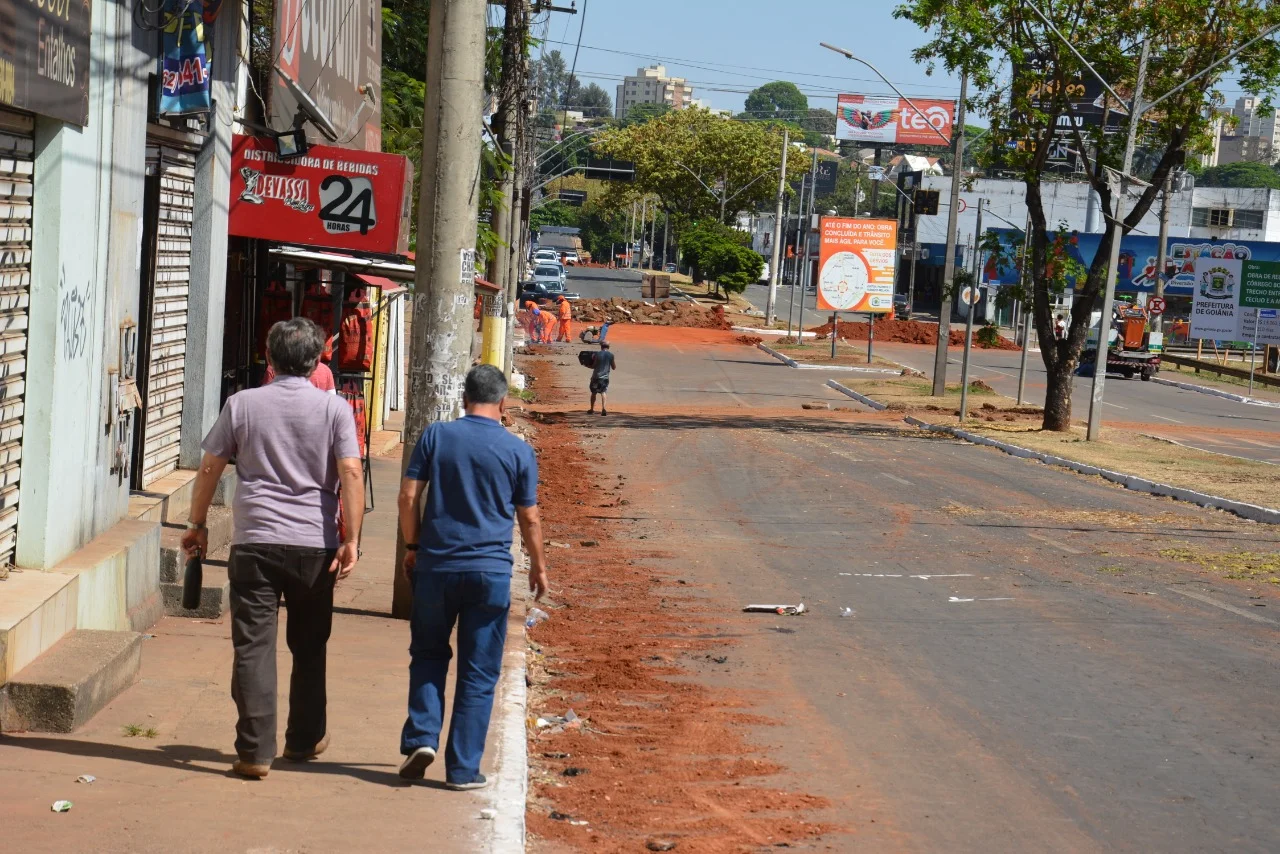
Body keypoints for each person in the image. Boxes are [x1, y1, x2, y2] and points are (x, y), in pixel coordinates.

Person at [182, 317, 364, 780]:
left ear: (269, 358)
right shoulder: (335, 409)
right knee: (309, 644)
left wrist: (197, 524)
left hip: (256, 543)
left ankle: (254, 752)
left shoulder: (241, 404)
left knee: (253, 647)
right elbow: (351, 472)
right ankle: (303, 739)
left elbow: (209, 469)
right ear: (319, 359)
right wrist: (351, 539)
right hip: (314, 546)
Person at [397, 365, 549, 789]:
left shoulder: (436, 436)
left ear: (464, 399)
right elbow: (530, 518)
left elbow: (409, 496)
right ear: (503, 403)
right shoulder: (517, 451)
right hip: (490, 574)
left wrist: (413, 546)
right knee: (479, 671)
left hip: (436, 567)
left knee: (428, 654)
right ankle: (463, 769)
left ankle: (422, 738)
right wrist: (538, 565)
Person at [588, 340, 616, 416]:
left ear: (601, 347)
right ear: (608, 347)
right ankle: (603, 408)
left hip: (596, 377)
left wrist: (588, 366)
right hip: (605, 378)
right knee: (603, 392)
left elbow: (594, 365)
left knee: (594, 393)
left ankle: (592, 409)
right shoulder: (611, 355)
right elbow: (614, 367)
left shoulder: (597, 354)